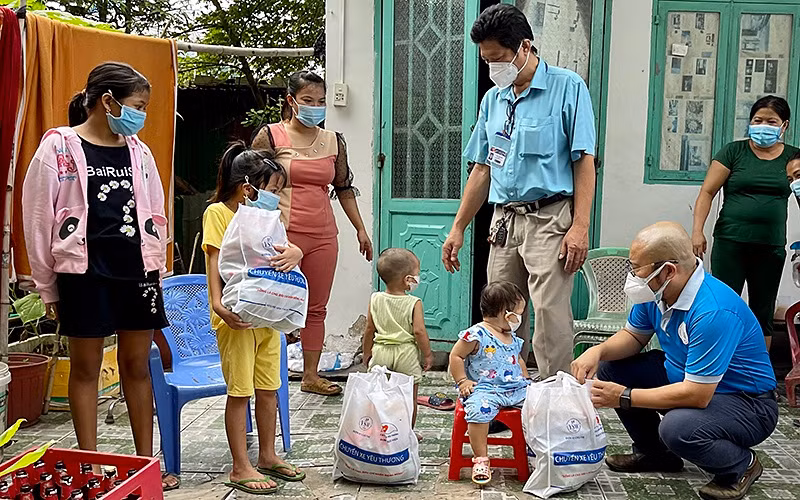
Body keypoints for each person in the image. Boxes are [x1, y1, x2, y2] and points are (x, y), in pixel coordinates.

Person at [21, 62, 179, 491]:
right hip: (83, 274)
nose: (141, 115)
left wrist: (158, 269)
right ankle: (87, 467)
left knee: (137, 366)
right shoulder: (58, 148)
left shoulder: (140, 152)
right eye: (137, 106)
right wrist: (47, 286)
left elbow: (156, 213)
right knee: (86, 367)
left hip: (137, 271)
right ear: (108, 102)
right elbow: (37, 219)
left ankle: (145, 464)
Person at [441, 4, 596, 378]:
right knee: (500, 309)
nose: (493, 68)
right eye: (487, 61)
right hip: (504, 221)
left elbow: (584, 161)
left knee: (549, 312)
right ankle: (504, 387)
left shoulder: (568, 88)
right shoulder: (493, 99)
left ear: (525, 46)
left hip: (550, 217)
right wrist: (458, 227)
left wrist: (580, 226)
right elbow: (482, 168)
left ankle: (555, 394)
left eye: (498, 59)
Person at [572, 222, 778, 500]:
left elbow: (697, 395)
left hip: (746, 403)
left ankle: (741, 465)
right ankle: (655, 454)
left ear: (668, 270)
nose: (632, 276)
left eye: (637, 268)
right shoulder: (655, 292)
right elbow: (633, 337)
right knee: (612, 368)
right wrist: (597, 351)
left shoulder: (713, 311)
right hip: (687, 379)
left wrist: (624, 397)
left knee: (677, 428)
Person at [251, 70, 373, 396]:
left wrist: (360, 229)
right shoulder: (271, 136)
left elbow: (344, 188)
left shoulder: (334, 141)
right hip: (280, 235)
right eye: (307, 100)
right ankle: (265, 375)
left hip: (322, 236)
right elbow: (251, 185)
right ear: (291, 101)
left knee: (316, 308)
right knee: (273, 303)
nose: (315, 107)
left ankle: (310, 375)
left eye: (320, 101)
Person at [202, 141, 306, 495]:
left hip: (267, 320)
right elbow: (213, 261)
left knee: (268, 389)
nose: (277, 197)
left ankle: (267, 455)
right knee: (240, 392)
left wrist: (297, 252)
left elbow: (286, 250)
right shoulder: (217, 214)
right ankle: (240, 466)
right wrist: (218, 306)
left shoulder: (267, 219)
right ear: (248, 189)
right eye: (273, 189)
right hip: (236, 320)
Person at [692, 96, 799, 349]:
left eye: (771, 122)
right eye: (758, 120)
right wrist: (697, 231)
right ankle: (720, 365)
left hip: (770, 245)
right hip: (730, 242)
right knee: (723, 305)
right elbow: (707, 192)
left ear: (784, 125)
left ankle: (759, 370)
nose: (763, 126)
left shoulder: (793, 158)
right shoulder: (733, 152)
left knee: (763, 310)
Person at [449, 281, 531, 485]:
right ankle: (481, 458)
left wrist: (526, 379)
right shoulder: (476, 334)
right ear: (506, 314)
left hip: (514, 389)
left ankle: (534, 447)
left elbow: (518, 359)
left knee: (539, 403)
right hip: (485, 390)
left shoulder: (511, 336)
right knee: (478, 412)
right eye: (518, 314)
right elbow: (456, 356)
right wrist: (462, 381)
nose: (520, 319)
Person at [362, 248, 434, 435]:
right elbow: (419, 331)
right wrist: (427, 354)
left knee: (378, 395)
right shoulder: (414, 302)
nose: (418, 277)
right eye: (417, 273)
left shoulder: (375, 298)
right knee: (409, 397)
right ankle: (407, 434)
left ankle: (377, 431)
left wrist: (367, 352)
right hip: (406, 353)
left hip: (380, 352)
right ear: (407, 279)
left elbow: (369, 329)